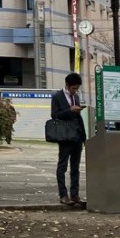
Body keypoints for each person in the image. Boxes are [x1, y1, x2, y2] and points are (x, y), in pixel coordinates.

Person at [50, 72, 87, 206]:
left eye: (77, 88)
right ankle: (63, 194)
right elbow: (55, 115)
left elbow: (79, 118)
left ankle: (75, 194)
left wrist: (84, 137)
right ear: (67, 85)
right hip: (64, 136)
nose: (75, 91)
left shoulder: (76, 97)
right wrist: (70, 110)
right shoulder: (57, 97)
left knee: (75, 167)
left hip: (76, 136)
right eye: (73, 88)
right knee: (62, 166)